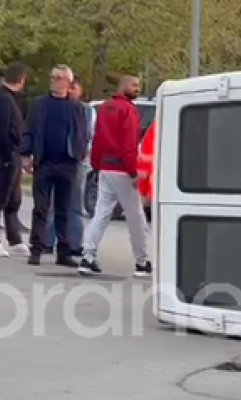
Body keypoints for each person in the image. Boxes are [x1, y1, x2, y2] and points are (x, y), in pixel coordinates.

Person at [78, 75, 152, 277]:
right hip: (122, 170)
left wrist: (96, 164)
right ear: (124, 86)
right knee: (136, 216)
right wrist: (133, 172)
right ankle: (142, 262)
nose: (138, 88)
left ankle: (88, 256)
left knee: (101, 214)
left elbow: (98, 137)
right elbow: (128, 144)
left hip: (105, 168)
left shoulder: (104, 108)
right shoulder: (128, 110)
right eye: (134, 85)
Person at [21, 64, 87, 267]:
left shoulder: (76, 106)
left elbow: (82, 132)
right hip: (45, 162)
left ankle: (64, 252)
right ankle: (36, 249)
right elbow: (29, 130)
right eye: (53, 77)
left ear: (69, 82)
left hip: (67, 163)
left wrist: (80, 152)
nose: (55, 81)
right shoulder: (40, 105)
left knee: (64, 209)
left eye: (59, 78)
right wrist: (26, 154)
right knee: (40, 208)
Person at [0, 62, 29, 257]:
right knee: (0, 198)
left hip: (14, 153)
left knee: (14, 199)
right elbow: (1, 130)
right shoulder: (3, 100)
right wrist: (5, 156)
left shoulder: (10, 99)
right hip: (7, 154)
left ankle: (14, 238)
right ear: (21, 80)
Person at [44, 76, 91, 254]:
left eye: (74, 88)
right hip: (56, 159)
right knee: (53, 203)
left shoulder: (84, 110)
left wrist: (81, 153)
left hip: (75, 160)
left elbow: (86, 134)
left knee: (74, 203)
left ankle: (74, 243)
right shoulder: (55, 106)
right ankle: (48, 241)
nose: (70, 91)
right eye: (68, 87)